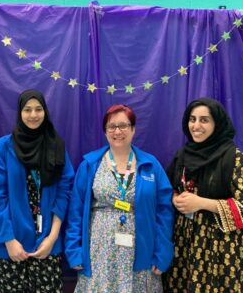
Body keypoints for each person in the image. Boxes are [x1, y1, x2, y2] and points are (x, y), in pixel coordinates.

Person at [65, 104, 174, 292]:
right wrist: (74, 251)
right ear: (105, 131)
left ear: (133, 129)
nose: (117, 131)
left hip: (141, 252)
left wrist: (162, 252)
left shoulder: (150, 165)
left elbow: (164, 212)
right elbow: (76, 211)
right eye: (111, 126)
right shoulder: (90, 165)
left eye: (123, 125)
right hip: (98, 253)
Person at [0, 89, 74, 292]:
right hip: (11, 248)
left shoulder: (56, 147)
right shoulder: (3, 147)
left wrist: (52, 238)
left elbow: (64, 191)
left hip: (46, 247)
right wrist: (9, 240)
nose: (33, 115)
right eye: (27, 109)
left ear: (45, 112)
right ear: (19, 113)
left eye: (38, 109)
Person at [162, 97, 243, 292]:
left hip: (221, 252)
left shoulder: (236, 159)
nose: (196, 126)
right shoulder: (183, 155)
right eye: (192, 119)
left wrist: (201, 203)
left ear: (217, 123)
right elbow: (167, 188)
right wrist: (174, 198)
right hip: (184, 247)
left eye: (204, 120)